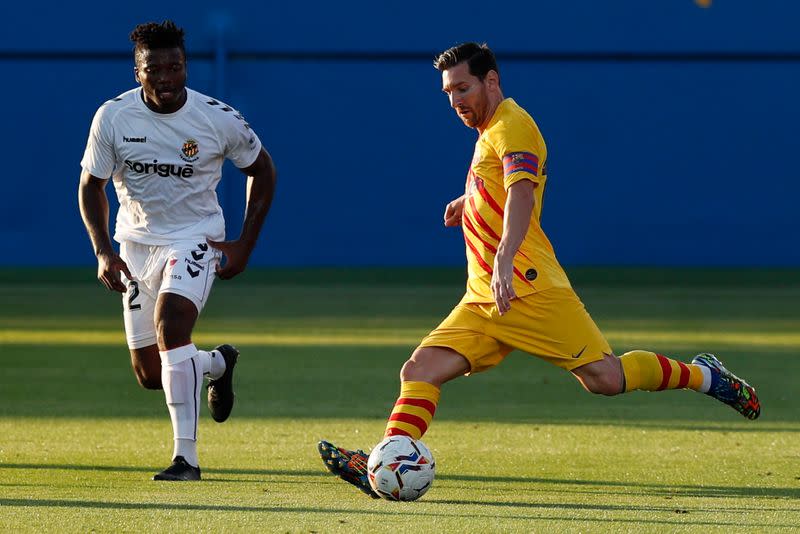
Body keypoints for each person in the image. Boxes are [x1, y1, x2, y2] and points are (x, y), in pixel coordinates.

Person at [318, 42, 760, 498]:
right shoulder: (489, 131)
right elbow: (498, 187)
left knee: (605, 379)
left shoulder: (514, 125)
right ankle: (386, 463)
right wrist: (467, 202)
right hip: (485, 296)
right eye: (448, 93)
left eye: (463, 88)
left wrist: (505, 259)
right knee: (420, 369)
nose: (456, 100)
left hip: (529, 288)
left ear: (492, 81)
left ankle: (706, 375)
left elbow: (522, 194)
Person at [78, 20, 276, 481]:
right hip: (135, 244)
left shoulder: (216, 118)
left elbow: (263, 171)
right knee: (153, 374)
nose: (166, 78)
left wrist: (244, 244)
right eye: (155, 69)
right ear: (137, 72)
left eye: (175, 67)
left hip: (195, 237)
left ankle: (185, 458)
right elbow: (92, 186)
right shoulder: (112, 117)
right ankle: (217, 362)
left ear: (185, 67)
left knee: (172, 328)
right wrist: (104, 251)